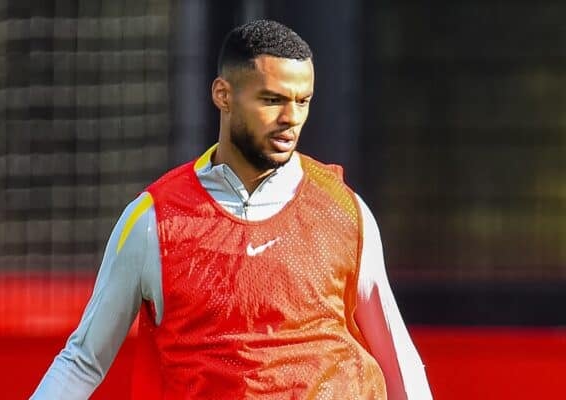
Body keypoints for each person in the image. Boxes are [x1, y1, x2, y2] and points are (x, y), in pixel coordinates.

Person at [31, 19, 432, 399]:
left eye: (302, 100)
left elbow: (398, 357)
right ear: (223, 95)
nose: (291, 118)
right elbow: (82, 362)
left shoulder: (344, 210)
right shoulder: (153, 220)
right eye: (272, 100)